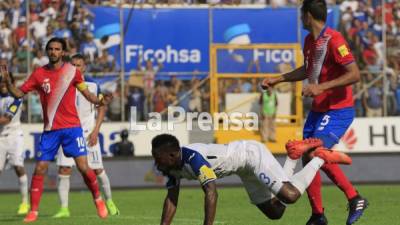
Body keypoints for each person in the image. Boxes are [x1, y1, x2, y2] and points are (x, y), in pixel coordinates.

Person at [261, 1, 368, 225]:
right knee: (307, 157)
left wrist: (320, 87)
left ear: (308, 15)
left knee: (314, 153)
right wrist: (279, 79)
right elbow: (307, 69)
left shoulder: (334, 39)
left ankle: (354, 197)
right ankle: (317, 214)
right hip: (318, 111)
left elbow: (354, 74)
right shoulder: (310, 41)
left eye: (302, 15)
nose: (300, 19)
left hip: (338, 110)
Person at [0, 37, 112, 223]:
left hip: (72, 129)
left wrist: (99, 100)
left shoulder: (72, 72)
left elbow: (87, 94)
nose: (53, 52)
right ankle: (33, 211)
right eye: (50, 49)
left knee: (84, 168)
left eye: (57, 49)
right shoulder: (38, 74)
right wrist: (8, 82)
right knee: (40, 167)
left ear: (62, 52)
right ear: (47, 51)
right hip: (50, 131)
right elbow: (19, 94)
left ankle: (98, 199)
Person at [151, 134, 352, 225]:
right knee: (275, 212)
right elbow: (171, 198)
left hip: (250, 155)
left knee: (290, 196)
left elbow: (211, 192)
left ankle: (319, 158)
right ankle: (292, 158)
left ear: (172, 155)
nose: (155, 162)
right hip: (243, 170)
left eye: (157, 157)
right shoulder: (169, 168)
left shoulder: (194, 158)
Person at [53, 54, 120, 218]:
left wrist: (96, 130)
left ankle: (109, 201)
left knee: (97, 170)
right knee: (64, 169)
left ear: (84, 67)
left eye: (79, 65)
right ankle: (64, 209)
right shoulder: (61, 85)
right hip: (67, 133)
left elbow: (102, 107)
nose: (76, 68)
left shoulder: (92, 85)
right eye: (73, 65)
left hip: (88, 134)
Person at [0, 71, 29, 215]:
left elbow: (6, 119)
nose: (2, 84)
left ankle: (25, 202)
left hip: (14, 136)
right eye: (1, 81)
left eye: (5, 81)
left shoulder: (16, 97)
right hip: (0, 138)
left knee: (18, 166)